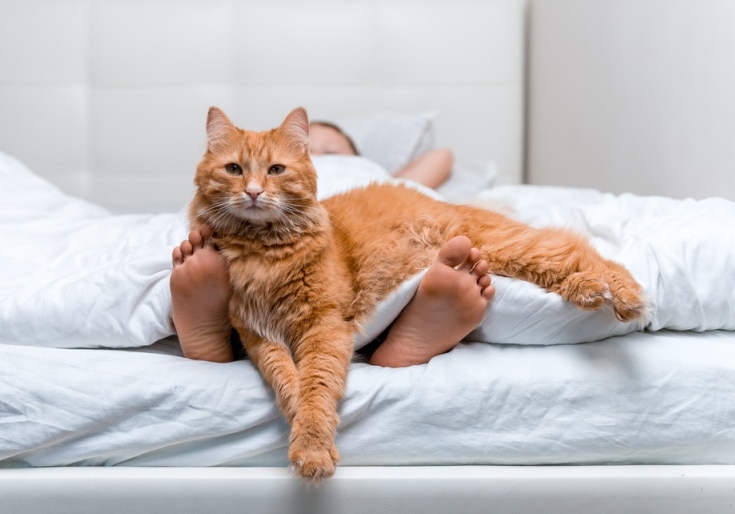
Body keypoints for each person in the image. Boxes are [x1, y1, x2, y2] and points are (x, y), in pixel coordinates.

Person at [170, 123, 494, 367]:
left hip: (350, 214)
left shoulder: (368, 172)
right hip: (241, 214)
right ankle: (213, 313)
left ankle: (414, 327)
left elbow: (442, 157)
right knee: (205, 243)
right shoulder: (251, 166)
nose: (317, 153)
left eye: (331, 149)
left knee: (369, 263)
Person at [308, 121, 453, 190]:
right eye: (308, 152)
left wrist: (388, 181)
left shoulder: (367, 174)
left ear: (357, 159)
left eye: (331, 153)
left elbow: (443, 156)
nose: (318, 158)